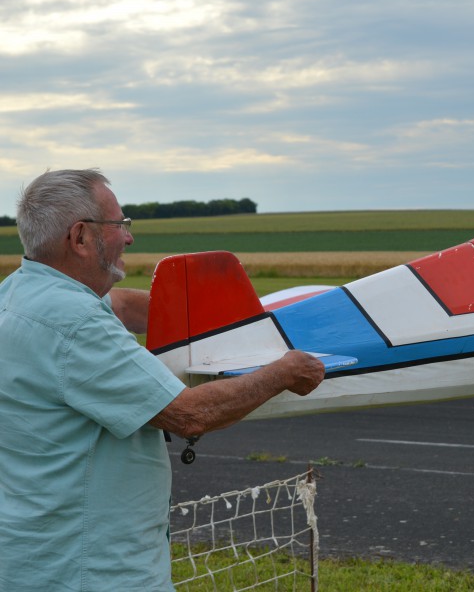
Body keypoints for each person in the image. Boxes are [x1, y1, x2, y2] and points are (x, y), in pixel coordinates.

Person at [0, 169, 326, 590]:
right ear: (80, 238)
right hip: (93, 569)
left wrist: (206, 324)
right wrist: (283, 372)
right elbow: (190, 415)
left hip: (31, 557)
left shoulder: (19, 293)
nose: (129, 237)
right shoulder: (76, 325)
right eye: (119, 225)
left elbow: (114, 302)